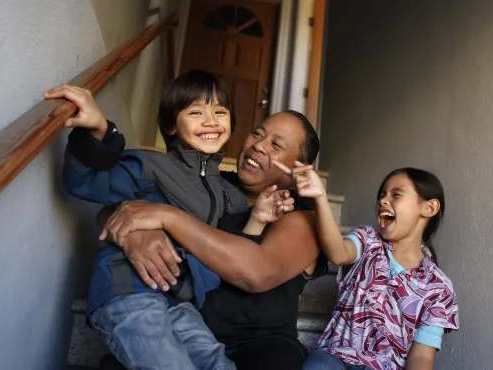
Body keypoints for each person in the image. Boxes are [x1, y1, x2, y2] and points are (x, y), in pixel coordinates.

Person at [45, 70, 294, 370]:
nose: (211, 120)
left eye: (220, 111)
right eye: (195, 112)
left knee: (219, 364)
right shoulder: (150, 165)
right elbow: (83, 181)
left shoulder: (233, 196)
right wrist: (99, 130)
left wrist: (257, 217)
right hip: (128, 292)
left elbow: (231, 255)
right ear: (169, 125)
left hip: (181, 305)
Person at [99, 110, 326, 370]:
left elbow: (258, 272)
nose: (259, 146)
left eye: (276, 145)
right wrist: (135, 234)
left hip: (262, 346)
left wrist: (167, 216)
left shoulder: (304, 213)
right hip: (185, 327)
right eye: (258, 134)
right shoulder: (209, 183)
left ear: (299, 170)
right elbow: (115, 210)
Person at [273, 163, 459, 370]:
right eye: (381, 194)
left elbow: (422, 358)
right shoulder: (367, 239)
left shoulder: (438, 288)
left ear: (429, 208)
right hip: (333, 356)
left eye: (396, 194)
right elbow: (337, 251)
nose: (383, 200)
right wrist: (320, 198)